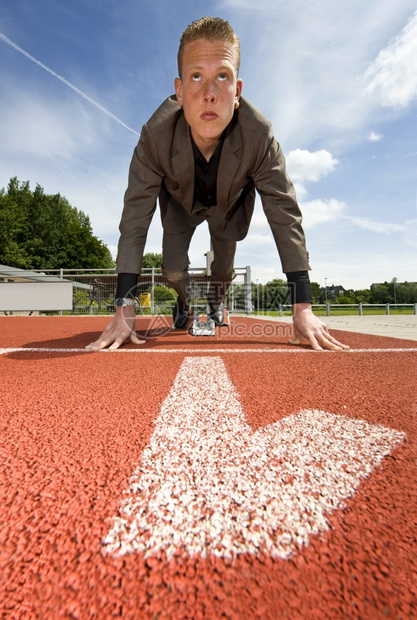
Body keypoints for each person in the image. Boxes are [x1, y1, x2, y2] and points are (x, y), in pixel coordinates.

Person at [86, 16, 348, 352]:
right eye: (197, 77)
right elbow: (135, 216)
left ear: (236, 91)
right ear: (179, 91)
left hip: (228, 208)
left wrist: (303, 306)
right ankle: (183, 304)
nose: (209, 94)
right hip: (181, 207)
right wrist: (124, 307)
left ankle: (214, 303)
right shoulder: (155, 137)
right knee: (172, 270)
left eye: (221, 77)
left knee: (223, 273)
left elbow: (284, 212)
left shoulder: (259, 136)